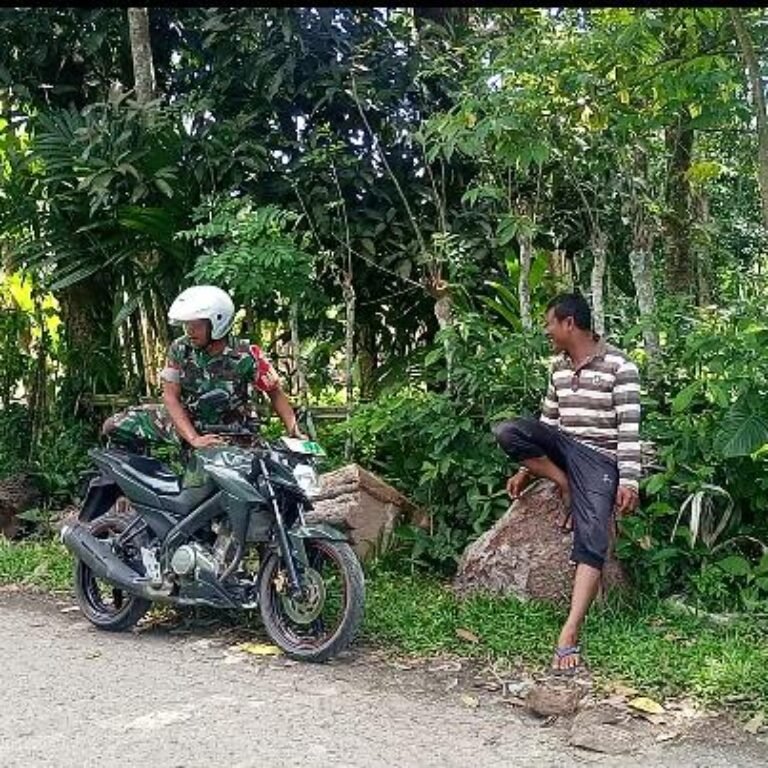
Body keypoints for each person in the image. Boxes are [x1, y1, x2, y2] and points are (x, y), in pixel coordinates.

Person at [493, 292, 641, 674]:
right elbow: (547, 425)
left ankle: (570, 631)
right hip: (563, 447)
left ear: (569, 323)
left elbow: (628, 431)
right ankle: (565, 484)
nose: (547, 331)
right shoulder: (558, 368)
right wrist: (531, 471)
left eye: (550, 324)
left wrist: (630, 481)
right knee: (508, 431)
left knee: (592, 538)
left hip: (599, 458)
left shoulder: (620, 366)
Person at [103, 285, 307, 460]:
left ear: (218, 323)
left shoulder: (247, 355)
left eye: (197, 325)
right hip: (189, 422)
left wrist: (293, 430)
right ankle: (133, 485)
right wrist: (193, 438)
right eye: (187, 325)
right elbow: (170, 397)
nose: (190, 331)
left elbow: (275, 393)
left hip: (233, 431)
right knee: (115, 425)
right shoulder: (179, 349)